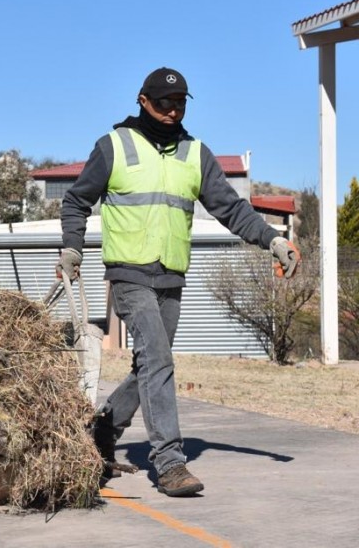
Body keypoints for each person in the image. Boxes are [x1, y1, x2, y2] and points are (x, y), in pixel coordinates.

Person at [57, 67, 301, 497]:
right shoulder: (114, 146)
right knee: (159, 360)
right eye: (164, 102)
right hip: (129, 274)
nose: (172, 110)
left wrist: (273, 240)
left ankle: (100, 432)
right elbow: (76, 199)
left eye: (180, 103)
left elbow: (232, 209)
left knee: (150, 364)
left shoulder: (196, 154)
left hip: (171, 276)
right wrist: (72, 247)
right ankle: (169, 462)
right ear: (142, 100)